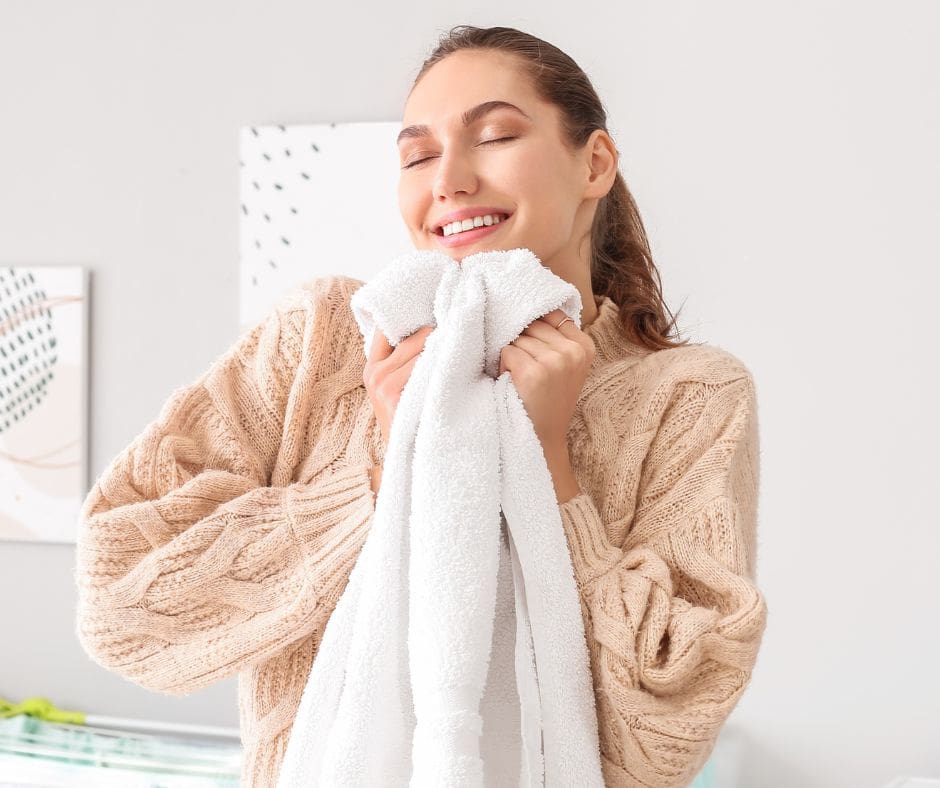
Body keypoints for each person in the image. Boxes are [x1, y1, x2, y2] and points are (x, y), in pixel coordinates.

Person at [75, 25, 769, 788]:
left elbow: (666, 736)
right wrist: (387, 470)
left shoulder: (689, 395)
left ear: (595, 162)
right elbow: (120, 606)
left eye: (496, 135)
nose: (450, 180)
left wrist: (553, 473)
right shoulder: (320, 341)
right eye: (417, 155)